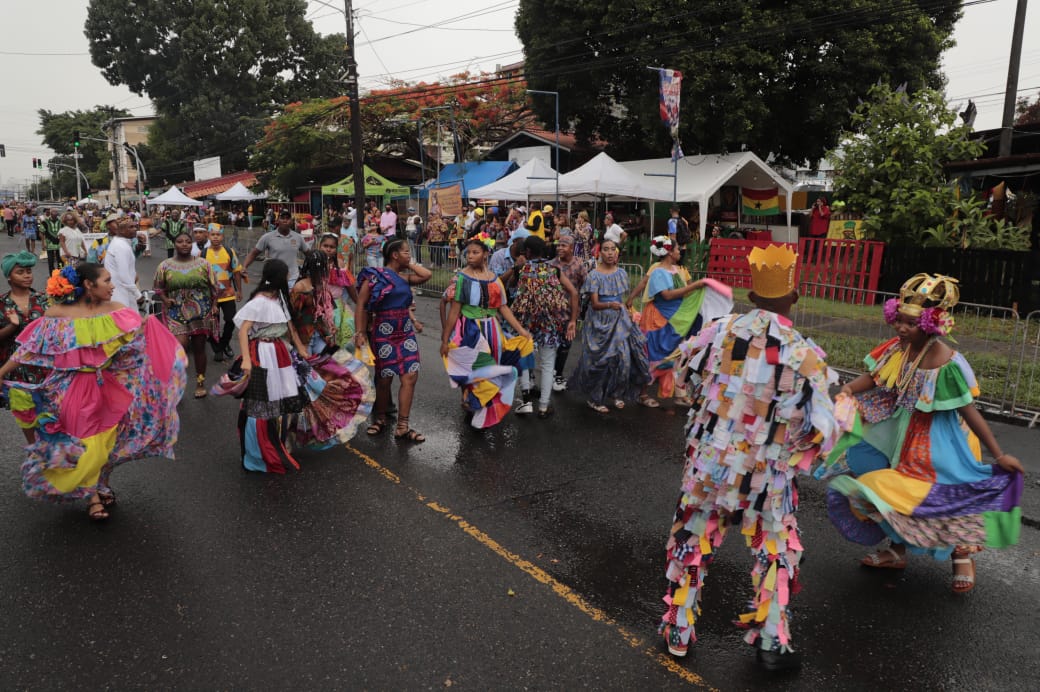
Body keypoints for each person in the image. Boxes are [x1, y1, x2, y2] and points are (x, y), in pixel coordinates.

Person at [659, 244, 839, 671]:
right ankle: (772, 642)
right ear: (793, 297)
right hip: (767, 475)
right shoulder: (802, 352)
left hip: (710, 466)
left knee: (692, 543)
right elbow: (820, 427)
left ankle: (679, 631)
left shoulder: (718, 331)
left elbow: (683, 377)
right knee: (775, 550)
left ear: (752, 297)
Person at [821, 273, 1024, 593]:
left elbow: (969, 411)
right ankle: (897, 548)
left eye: (911, 323)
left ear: (931, 323)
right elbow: (874, 378)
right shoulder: (898, 347)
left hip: (942, 442)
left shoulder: (944, 360)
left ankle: (962, 556)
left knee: (943, 499)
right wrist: (846, 389)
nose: (902, 328)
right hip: (900, 429)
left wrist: (998, 454)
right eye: (899, 320)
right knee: (884, 486)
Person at [0, 262, 187, 521]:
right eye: (107, 281)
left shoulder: (118, 311)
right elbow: (29, 349)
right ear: (89, 285)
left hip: (109, 388)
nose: (112, 286)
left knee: (106, 445)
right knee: (90, 445)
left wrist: (150, 330)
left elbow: (135, 343)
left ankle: (99, 484)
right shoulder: (58, 313)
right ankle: (92, 498)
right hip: (74, 389)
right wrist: (1, 372)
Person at [440, 236, 534, 429]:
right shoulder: (462, 279)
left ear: (485, 255)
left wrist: (521, 330)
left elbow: (504, 308)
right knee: (477, 367)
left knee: (493, 366)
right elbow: (455, 311)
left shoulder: (494, 279)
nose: (471, 256)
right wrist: (445, 338)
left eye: (475, 252)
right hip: (470, 330)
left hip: (493, 329)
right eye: (469, 253)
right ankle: (473, 400)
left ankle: (478, 402)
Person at [233, 260, 311, 472]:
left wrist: (300, 347)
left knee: (284, 397)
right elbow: (243, 330)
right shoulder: (259, 301)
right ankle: (259, 452)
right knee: (262, 402)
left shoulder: (280, 299)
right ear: (279, 276)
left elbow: (289, 326)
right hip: (262, 353)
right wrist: (247, 360)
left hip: (280, 352)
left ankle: (279, 441)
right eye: (286, 274)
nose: (288, 278)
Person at [638, 236, 732, 407]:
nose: (679, 251)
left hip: (675, 319)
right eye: (676, 249)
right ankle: (643, 394)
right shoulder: (659, 272)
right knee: (655, 356)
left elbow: (682, 293)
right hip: (659, 321)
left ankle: (678, 394)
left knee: (676, 356)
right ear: (668, 252)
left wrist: (700, 291)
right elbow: (666, 295)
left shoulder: (676, 270)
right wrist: (695, 287)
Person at [355, 239, 432, 442]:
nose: (409, 255)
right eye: (406, 252)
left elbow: (427, 275)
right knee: (385, 377)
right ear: (394, 255)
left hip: (405, 330)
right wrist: (360, 332)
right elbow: (361, 305)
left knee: (410, 376)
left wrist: (409, 263)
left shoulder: (404, 277)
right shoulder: (373, 277)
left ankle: (403, 425)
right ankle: (380, 419)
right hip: (383, 331)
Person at [568, 239, 650, 412]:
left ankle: (617, 393)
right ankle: (595, 398)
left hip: (619, 321)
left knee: (624, 359)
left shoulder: (621, 273)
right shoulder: (594, 275)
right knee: (600, 362)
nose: (610, 253)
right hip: (599, 320)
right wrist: (610, 305)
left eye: (613, 249)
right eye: (606, 249)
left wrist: (626, 310)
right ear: (600, 253)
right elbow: (595, 303)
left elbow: (621, 298)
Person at [511, 236, 579, 418]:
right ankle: (543, 406)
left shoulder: (520, 270)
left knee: (524, 361)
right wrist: (572, 320)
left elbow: (510, 289)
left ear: (527, 252)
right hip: (550, 324)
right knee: (548, 364)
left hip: (525, 325)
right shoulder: (554, 269)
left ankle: (525, 401)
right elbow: (573, 292)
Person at [153, 232, 219, 399]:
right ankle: (176, 386)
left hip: (200, 311)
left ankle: (200, 382)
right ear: (174, 244)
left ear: (192, 244)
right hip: (176, 311)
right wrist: (165, 299)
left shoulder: (204, 264)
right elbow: (158, 287)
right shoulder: (165, 265)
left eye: (188, 242)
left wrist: (215, 306)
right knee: (178, 349)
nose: (184, 244)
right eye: (180, 241)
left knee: (199, 348)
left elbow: (214, 287)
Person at [0, 252, 49, 442]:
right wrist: (11, 326)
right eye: (21, 272)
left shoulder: (44, 299)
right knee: (27, 418)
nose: (27, 275)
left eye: (29, 271)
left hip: (46, 369)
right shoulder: (2, 304)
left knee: (50, 416)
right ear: (9, 277)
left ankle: (51, 454)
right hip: (16, 371)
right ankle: (35, 452)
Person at [548, 234, 588, 391]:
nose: (560, 248)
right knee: (551, 344)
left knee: (566, 344)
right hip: (552, 312)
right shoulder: (551, 264)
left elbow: (586, 285)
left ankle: (558, 375)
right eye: (558, 245)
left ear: (572, 248)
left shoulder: (578, 265)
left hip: (570, 311)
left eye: (564, 246)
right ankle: (550, 373)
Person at [204, 223, 243, 362]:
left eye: (218, 234)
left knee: (230, 320)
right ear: (208, 236)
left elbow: (236, 271)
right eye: (212, 234)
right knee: (213, 324)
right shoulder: (203, 254)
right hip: (209, 296)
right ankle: (218, 349)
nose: (215, 237)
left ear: (222, 236)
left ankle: (224, 343)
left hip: (227, 294)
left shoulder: (229, 251)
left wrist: (239, 290)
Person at [241, 210, 309, 286]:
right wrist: (244, 267)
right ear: (277, 220)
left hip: (293, 280)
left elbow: (309, 254)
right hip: (274, 279)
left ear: (291, 221)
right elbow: (254, 253)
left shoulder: (298, 237)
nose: (285, 220)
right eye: (282, 218)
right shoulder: (267, 237)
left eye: (288, 218)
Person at [318, 232, 358, 352]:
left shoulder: (340, 264)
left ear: (336, 249)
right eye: (325, 246)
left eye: (332, 247)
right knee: (326, 338)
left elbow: (349, 286)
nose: (328, 249)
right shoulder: (314, 262)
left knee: (346, 331)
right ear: (320, 246)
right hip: (321, 305)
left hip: (338, 305)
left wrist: (360, 303)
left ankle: (342, 365)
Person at [103, 214, 142, 309]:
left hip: (123, 290)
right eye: (131, 227)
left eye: (135, 226)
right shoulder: (121, 246)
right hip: (119, 292)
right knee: (124, 320)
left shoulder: (121, 242)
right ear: (121, 230)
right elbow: (123, 274)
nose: (135, 229)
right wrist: (138, 294)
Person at [39, 208, 63, 273]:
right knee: (50, 260)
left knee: (60, 260)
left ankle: (60, 273)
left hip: (60, 244)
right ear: (51, 214)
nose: (55, 215)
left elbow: (65, 232)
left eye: (56, 214)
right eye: (53, 214)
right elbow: (41, 233)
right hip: (49, 244)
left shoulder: (61, 222)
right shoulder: (45, 222)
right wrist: (43, 243)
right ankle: (52, 275)